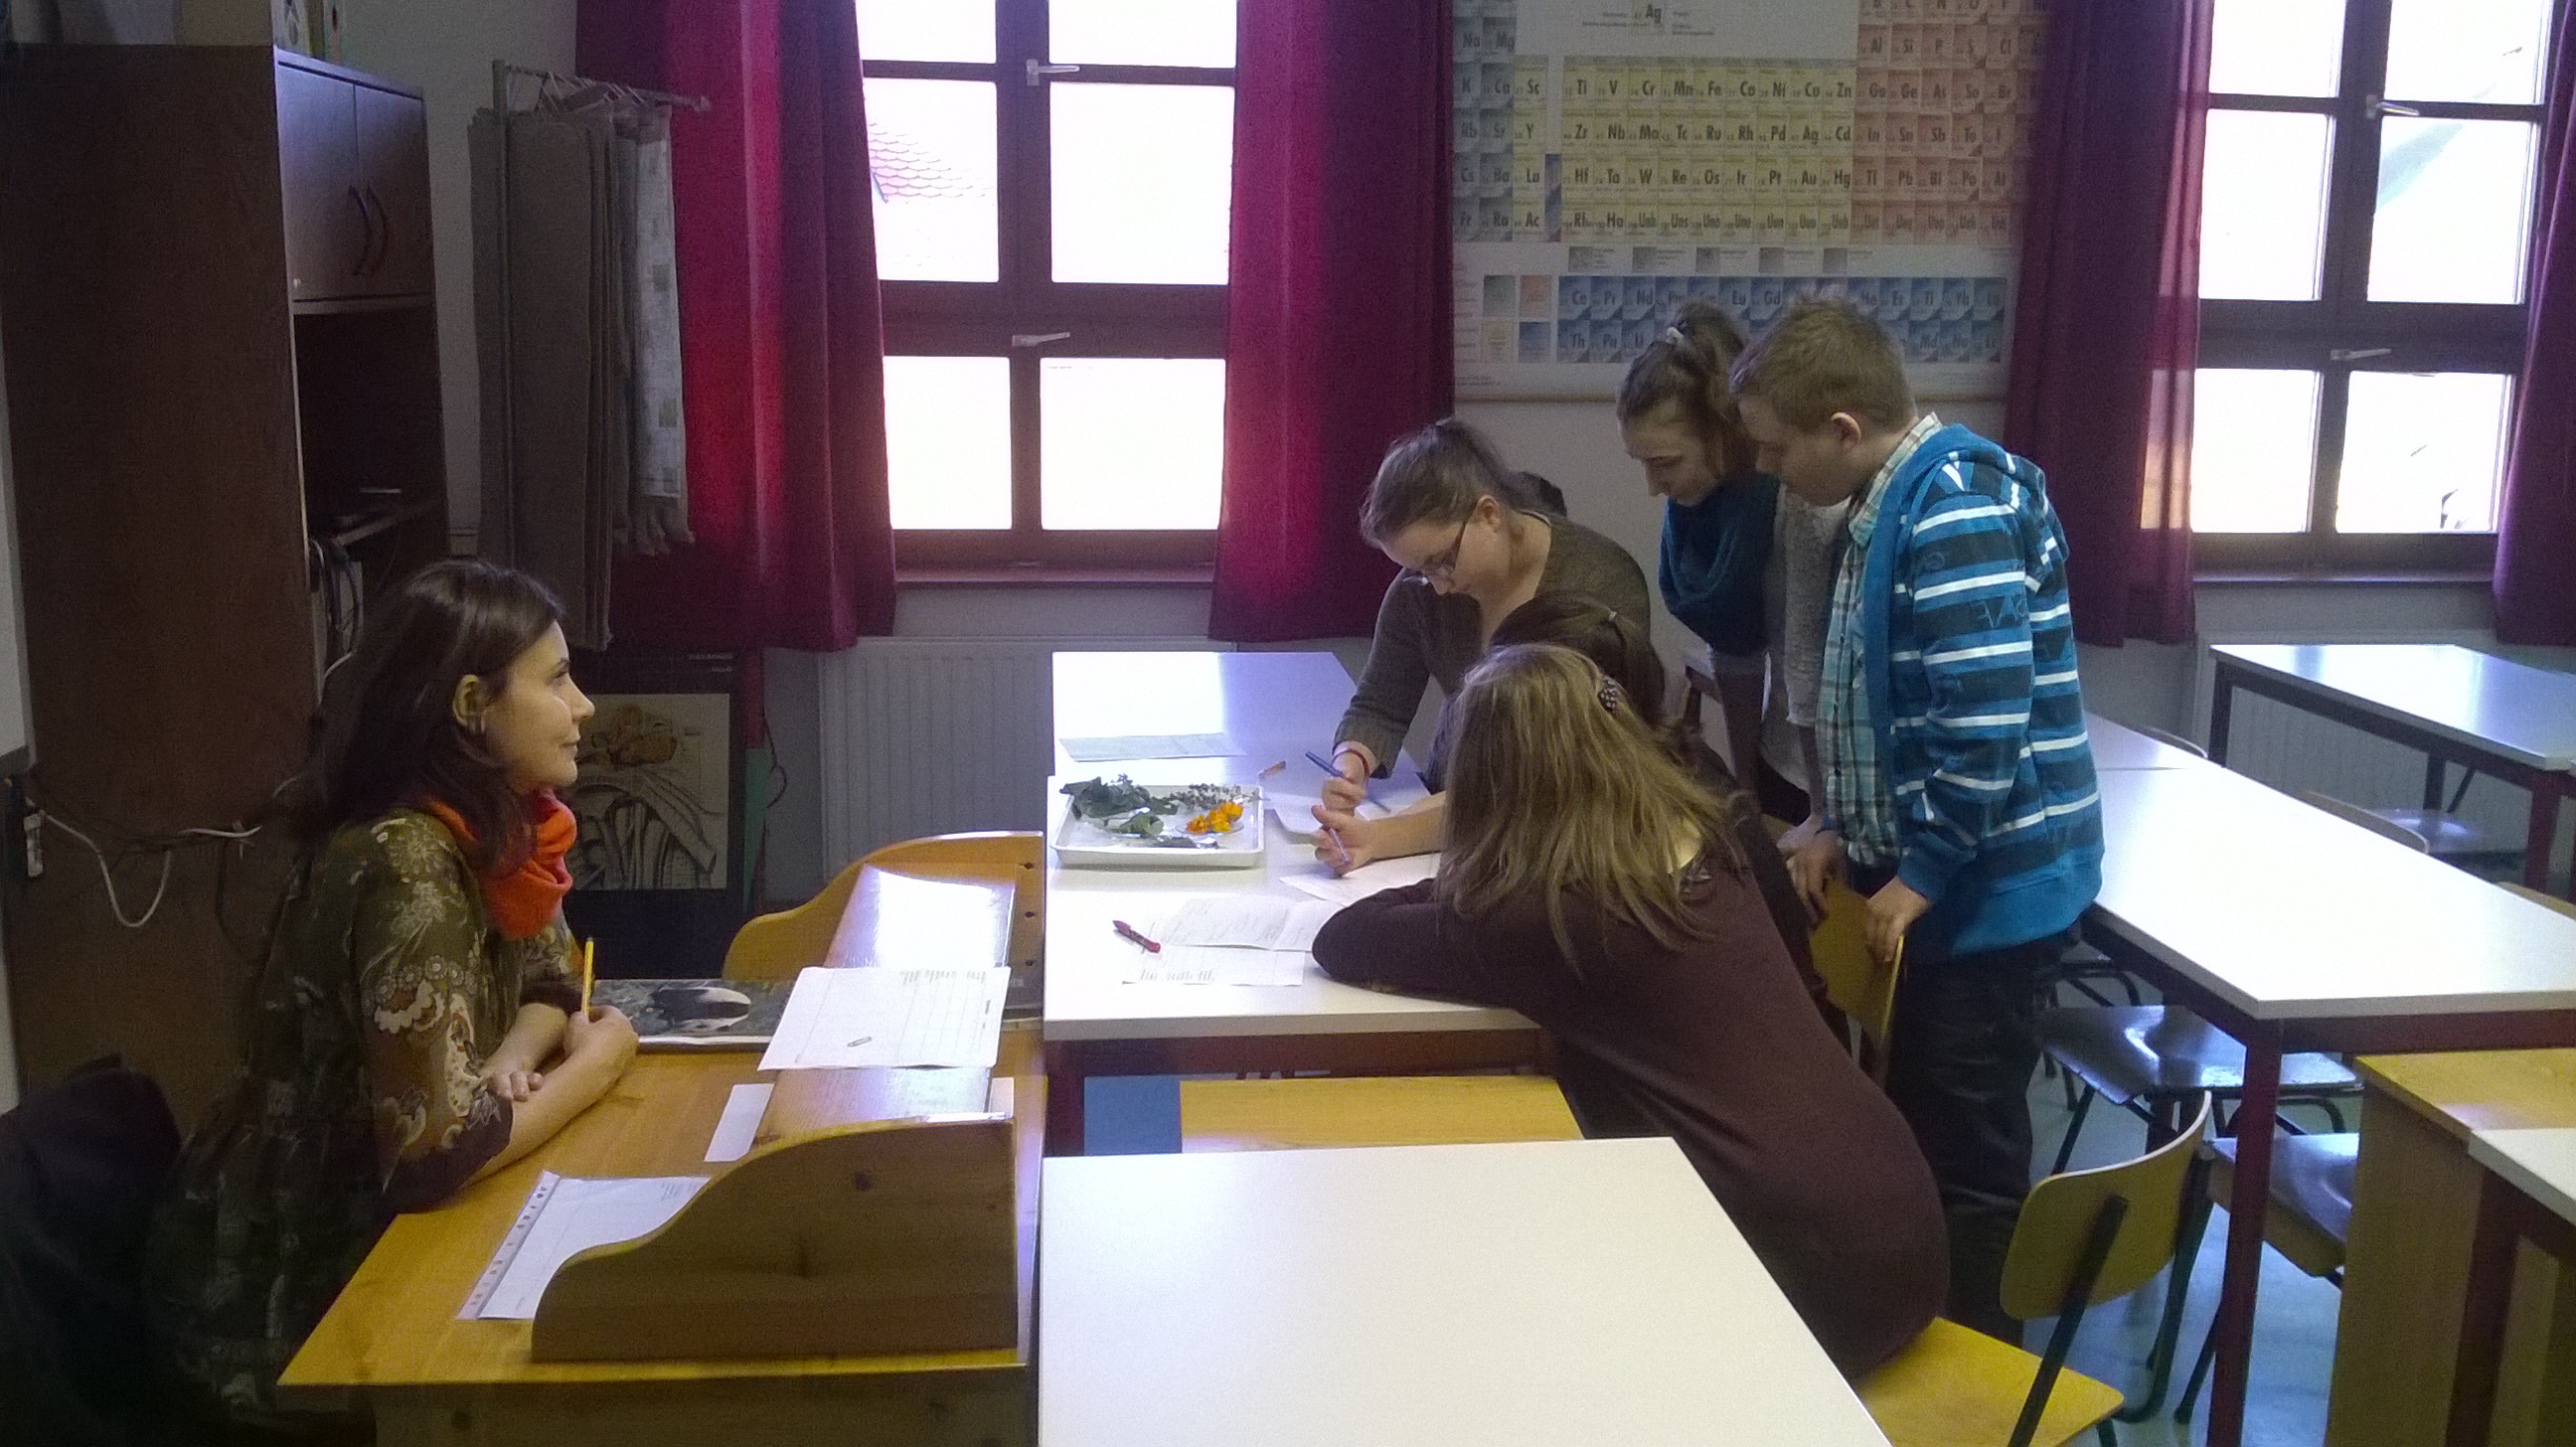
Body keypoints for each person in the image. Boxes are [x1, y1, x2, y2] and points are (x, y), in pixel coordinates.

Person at [1310, 643, 1947, 1376]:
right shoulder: (1709, 834)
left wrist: (1485, 868)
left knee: (1488, 1299)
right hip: (1902, 1227)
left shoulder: (1550, 918)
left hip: (1807, 1287)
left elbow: (1347, 939)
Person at [145, 561, 639, 1430]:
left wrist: (511, 1057)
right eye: (558, 679)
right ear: (472, 706)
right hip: (291, 1285)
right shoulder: (407, 859)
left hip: (375, 1225)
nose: (584, 706)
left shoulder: (500, 823)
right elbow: (432, 1155)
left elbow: (550, 978)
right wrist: (596, 1067)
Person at [1728, 297, 2103, 1342]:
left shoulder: (1953, 510)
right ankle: (1923, 1337)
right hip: (1948, 886)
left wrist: (1923, 871)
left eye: (1777, 447)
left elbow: (1981, 723)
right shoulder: (1885, 504)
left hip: (1985, 897)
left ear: (1843, 429)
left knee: (1965, 1161)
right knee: (1920, 1134)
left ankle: (1974, 1373)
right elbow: (1880, 709)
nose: (1768, 468)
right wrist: (1838, 825)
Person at [1317, 593, 1815, 975]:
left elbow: (1350, 939)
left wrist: (1457, 889)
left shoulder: (1595, 890)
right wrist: (1379, 838)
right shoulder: (1670, 774)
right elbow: (1500, 808)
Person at [1323, 418, 1650, 813]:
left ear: (1488, 513)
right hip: (1451, 801)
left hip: (1562, 818)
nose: (1437, 586)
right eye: (1419, 570)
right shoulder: (1420, 589)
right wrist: (1351, 764)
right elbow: (1379, 705)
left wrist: (1396, 833)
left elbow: (1583, 763)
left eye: (1441, 560)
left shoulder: (1601, 582)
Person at [1618, 298, 1843, 841]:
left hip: (1833, 780)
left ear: (1724, 432)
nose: (1652, 487)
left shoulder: (1795, 501)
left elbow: (1806, 668)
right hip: (1779, 756)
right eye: (1642, 463)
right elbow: (1735, 651)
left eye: (1664, 463)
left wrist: (1823, 818)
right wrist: (1746, 789)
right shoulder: (1701, 501)